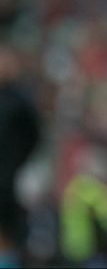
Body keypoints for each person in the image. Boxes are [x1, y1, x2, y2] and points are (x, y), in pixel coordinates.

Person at [0, 47, 41, 268]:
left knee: (8, 234)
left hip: (6, 180)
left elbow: (32, 133)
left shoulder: (16, 100)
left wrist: (16, 162)